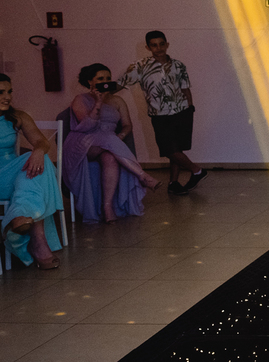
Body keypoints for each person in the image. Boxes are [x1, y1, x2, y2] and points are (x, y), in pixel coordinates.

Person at [63, 64, 160, 223]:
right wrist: (98, 102)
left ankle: (107, 207)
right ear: (90, 81)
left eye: (108, 78)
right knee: (107, 138)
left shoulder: (118, 100)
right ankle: (143, 176)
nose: (105, 82)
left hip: (108, 141)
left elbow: (128, 124)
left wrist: (119, 137)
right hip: (83, 143)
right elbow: (87, 126)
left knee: (109, 157)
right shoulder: (80, 99)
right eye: (100, 79)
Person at [117, 31, 206, 196]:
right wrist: (102, 93)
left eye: (161, 44)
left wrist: (190, 108)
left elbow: (185, 88)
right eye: (154, 45)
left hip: (182, 111)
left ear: (167, 44)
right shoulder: (140, 66)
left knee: (176, 148)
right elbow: (121, 83)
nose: (158, 48)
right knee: (169, 149)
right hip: (159, 114)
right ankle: (197, 171)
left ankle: (173, 183)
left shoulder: (179, 65)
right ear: (148, 47)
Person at [0, 74, 64, 270]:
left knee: (42, 159)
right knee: (39, 173)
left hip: (14, 175)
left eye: (10, 91)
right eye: (1, 92)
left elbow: (41, 141)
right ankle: (37, 241)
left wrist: (38, 150)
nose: (7, 97)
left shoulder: (18, 116)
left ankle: (22, 218)